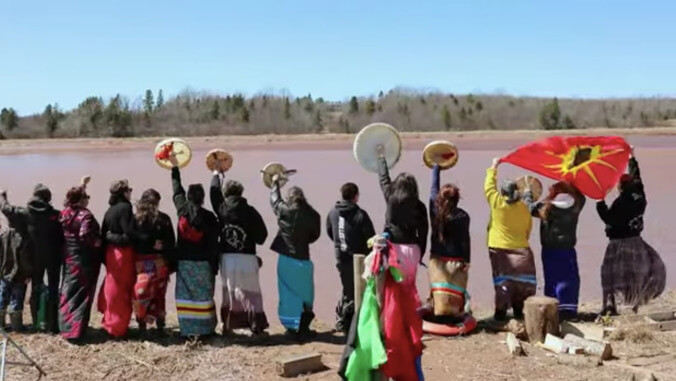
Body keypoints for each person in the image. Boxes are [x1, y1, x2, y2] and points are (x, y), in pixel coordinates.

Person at [596, 148, 666, 315]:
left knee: (615, 276)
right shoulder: (639, 196)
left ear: (620, 187)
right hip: (636, 241)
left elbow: (608, 218)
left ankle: (614, 307)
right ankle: (633, 305)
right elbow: (637, 177)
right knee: (637, 275)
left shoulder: (620, 203)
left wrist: (600, 201)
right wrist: (631, 158)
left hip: (619, 245)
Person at [107, 189, 175, 335]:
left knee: (140, 294)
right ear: (157, 202)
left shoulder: (135, 219)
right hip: (160, 262)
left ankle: (142, 323)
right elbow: (170, 243)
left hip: (140, 263)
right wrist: (171, 264)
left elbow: (130, 239)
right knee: (159, 295)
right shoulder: (164, 219)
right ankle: (160, 324)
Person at [210, 170, 269, 336]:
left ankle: (227, 326)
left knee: (229, 293)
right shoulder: (251, 211)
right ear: (241, 193)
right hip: (248, 258)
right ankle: (255, 325)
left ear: (226, 193)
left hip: (227, 258)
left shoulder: (221, 208)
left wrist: (215, 175)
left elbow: (214, 194)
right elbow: (262, 237)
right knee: (251, 294)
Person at [0, 184, 64, 333]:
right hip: (53, 257)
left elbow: (5, 208)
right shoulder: (55, 214)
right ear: (48, 199)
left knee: (36, 288)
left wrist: (3, 195)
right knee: (54, 289)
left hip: (35, 259)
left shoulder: (24, 213)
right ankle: (52, 326)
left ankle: (37, 323)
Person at [169, 155, 219, 338]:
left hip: (184, 261)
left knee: (186, 296)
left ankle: (187, 329)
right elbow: (214, 243)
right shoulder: (209, 217)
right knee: (203, 297)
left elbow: (176, 190)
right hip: (203, 262)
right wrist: (215, 266)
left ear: (188, 197)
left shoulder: (182, 210)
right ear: (203, 198)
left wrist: (175, 168)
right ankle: (206, 330)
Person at [269, 172, 321, 339]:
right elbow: (315, 236)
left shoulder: (285, 211)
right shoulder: (314, 215)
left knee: (287, 293)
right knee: (307, 295)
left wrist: (275, 183)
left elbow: (275, 201)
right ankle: (304, 327)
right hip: (304, 260)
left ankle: (291, 327)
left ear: (290, 198)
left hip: (286, 260)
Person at [524, 180, 585, 320]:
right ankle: (569, 310)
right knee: (569, 278)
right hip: (568, 248)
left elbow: (527, 206)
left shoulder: (546, 207)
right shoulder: (576, 204)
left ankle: (552, 309)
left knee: (552, 278)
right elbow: (582, 197)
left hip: (549, 249)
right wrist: (574, 181)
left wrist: (528, 192)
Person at [376, 145, 428, 306]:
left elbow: (383, 179)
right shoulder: (419, 206)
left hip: (393, 250)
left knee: (392, 289)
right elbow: (424, 232)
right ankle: (409, 320)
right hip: (412, 250)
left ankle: (392, 323)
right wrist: (420, 253)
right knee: (409, 288)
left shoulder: (390, 198)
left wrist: (381, 159)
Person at [485, 157, 535, 321]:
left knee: (502, 283)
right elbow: (528, 229)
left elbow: (489, 185)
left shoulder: (497, 201)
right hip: (522, 250)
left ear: (503, 192)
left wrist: (494, 165)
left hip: (499, 249)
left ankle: (500, 313)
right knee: (521, 284)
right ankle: (519, 311)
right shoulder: (524, 208)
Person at [98, 179, 146, 338]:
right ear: (124, 192)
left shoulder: (109, 210)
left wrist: (111, 237)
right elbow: (129, 234)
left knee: (112, 285)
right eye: (129, 189)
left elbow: (103, 235)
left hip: (111, 254)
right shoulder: (126, 207)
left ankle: (110, 322)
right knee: (123, 289)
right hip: (122, 253)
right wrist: (145, 238)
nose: (131, 192)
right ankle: (118, 327)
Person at [326, 182, 375, 333]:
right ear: (356, 197)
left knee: (348, 290)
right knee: (357, 292)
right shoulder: (360, 215)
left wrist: (340, 243)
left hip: (340, 257)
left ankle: (344, 320)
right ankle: (349, 324)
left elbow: (329, 231)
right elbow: (370, 239)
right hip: (357, 259)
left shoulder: (333, 212)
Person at [58, 176, 102, 342]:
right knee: (82, 294)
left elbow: (71, 198)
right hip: (83, 259)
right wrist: (96, 242)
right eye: (86, 197)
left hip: (69, 258)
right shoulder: (85, 216)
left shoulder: (65, 213)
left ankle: (65, 327)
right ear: (82, 200)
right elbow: (84, 235)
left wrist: (82, 184)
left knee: (68, 291)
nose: (88, 199)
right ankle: (76, 331)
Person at [427, 163, 471, 321]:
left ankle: (437, 313)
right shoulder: (463, 216)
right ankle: (454, 314)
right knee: (455, 292)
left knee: (438, 292)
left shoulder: (434, 211)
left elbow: (433, 189)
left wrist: (436, 168)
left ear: (440, 198)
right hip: (456, 261)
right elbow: (465, 240)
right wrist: (467, 260)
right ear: (457, 199)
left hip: (437, 261)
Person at [0, 190, 33, 332]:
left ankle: (1, 325)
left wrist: (3, 197)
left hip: (4, 272)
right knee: (16, 299)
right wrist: (28, 274)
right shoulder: (26, 238)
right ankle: (16, 326)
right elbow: (25, 259)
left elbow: (5, 207)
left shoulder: (4, 234)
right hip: (19, 274)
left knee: (2, 297)